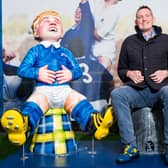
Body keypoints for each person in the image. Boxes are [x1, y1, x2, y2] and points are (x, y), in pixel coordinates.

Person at [1, 10, 113, 146]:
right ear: (36, 33)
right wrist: (37, 73)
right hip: (43, 91)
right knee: (34, 103)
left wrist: (71, 74)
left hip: (64, 90)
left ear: (61, 33)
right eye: (46, 20)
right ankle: (24, 126)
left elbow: (77, 70)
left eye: (56, 21)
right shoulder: (35, 51)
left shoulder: (66, 52)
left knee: (78, 100)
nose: (53, 22)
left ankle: (94, 123)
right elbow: (22, 70)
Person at [111, 5, 168, 164]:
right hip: (138, 92)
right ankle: (130, 146)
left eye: (147, 16)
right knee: (117, 94)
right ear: (136, 21)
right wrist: (129, 73)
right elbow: (122, 70)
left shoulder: (166, 39)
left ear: (153, 19)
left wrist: (166, 73)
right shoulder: (129, 42)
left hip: (161, 90)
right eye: (140, 17)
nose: (143, 19)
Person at [88, 0, 121, 72]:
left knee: (99, 76)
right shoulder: (99, 3)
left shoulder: (114, 11)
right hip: (90, 49)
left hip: (105, 52)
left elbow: (98, 35)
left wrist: (87, 25)